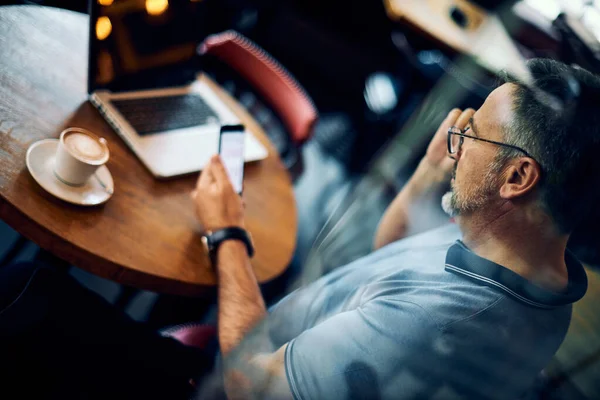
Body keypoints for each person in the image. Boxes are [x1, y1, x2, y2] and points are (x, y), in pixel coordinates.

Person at [0, 58, 595, 399]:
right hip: (271, 353)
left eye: (474, 134)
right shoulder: (530, 255)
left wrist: (227, 234)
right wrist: (431, 170)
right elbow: (393, 253)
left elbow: (248, 385)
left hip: (225, 383)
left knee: (29, 294)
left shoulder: (443, 323)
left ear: (518, 176)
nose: (457, 137)